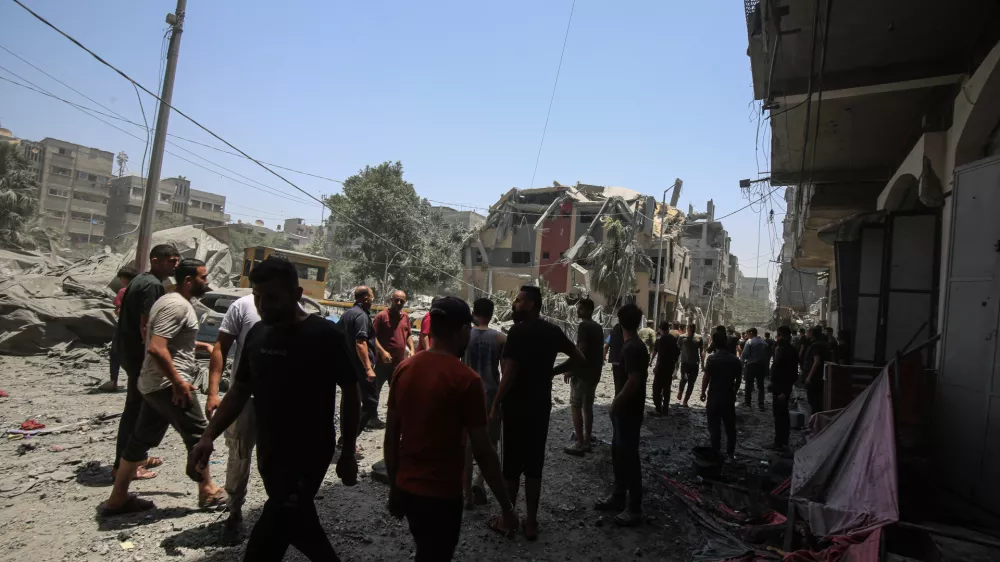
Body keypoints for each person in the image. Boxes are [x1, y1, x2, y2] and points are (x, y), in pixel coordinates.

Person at [188, 257, 362, 562]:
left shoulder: (326, 336)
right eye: (257, 297)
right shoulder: (258, 335)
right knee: (297, 522)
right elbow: (240, 390)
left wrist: (347, 452)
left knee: (275, 526)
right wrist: (208, 436)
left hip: (309, 452)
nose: (263, 305)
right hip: (270, 453)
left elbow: (351, 392)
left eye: (272, 298)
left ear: (296, 295)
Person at [386, 297, 518, 560]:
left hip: (408, 490)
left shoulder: (404, 369)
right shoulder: (467, 381)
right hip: (442, 495)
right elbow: (483, 450)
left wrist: (394, 487)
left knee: (425, 549)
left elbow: (391, 438)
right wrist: (507, 506)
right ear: (461, 331)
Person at [101, 259, 224, 515]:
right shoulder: (176, 306)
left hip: (153, 383)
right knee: (200, 435)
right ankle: (208, 490)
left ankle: (118, 499)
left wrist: (197, 345)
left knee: (138, 441)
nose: (207, 282)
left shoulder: (169, 301)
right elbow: (157, 347)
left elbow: (157, 336)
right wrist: (179, 381)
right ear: (188, 280)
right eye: (203, 277)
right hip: (169, 384)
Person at [490, 285, 586, 541]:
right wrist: (553, 371)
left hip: (515, 408)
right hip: (540, 408)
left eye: (519, 300)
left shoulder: (517, 333)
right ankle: (530, 523)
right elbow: (579, 358)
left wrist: (495, 404)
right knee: (534, 466)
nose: (514, 304)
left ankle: (508, 520)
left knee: (511, 467)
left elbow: (508, 375)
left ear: (531, 304)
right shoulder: (553, 331)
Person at [111, 244, 180, 481]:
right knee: (137, 410)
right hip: (140, 357)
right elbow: (147, 325)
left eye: (176, 260)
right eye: (170, 260)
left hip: (130, 354)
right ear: (155, 260)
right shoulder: (152, 285)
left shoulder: (141, 280)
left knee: (138, 407)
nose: (174, 264)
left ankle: (135, 457)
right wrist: (157, 358)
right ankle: (124, 465)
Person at [205, 291, 261, 542]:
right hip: (245, 397)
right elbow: (221, 347)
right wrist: (213, 392)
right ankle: (235, 512)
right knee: (239, 452)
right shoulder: (242, 306)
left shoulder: (295, 310)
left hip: (280, 401)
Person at [594, 303, 648, 526]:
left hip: (629, 409)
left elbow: (634, 380)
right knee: (619, 453)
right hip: (625, 409)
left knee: (628, 457)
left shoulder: (633, 348)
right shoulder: (631, 345)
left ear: (620, 321)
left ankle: (634, 508)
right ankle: (618, 497)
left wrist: (615, 402)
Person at [462, 297, 507, 506]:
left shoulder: (463, 336)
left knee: (468, 445)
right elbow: (506, 373)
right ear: (491, 313)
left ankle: (467, 496)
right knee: (490, 442)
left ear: (473, 312)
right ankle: (479, 482)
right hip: (490, 393)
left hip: (468, 392)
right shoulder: (500, 338)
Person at [554, 298, 604, 455]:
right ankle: (587, 440)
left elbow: (581, 350)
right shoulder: (597, 327)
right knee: (587, 408)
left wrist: (570, 370)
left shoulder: (584, 326)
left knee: (575, 406)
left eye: (580, 309)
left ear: (589, 311)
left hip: (582, 374)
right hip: (594, 373)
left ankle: (580, 443)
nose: (577, 311)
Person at [339, 286, 382, 430]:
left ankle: (346, 439)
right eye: (372, 296)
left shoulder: (347, 314)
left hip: (348, 366)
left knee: (350, 402)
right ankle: (349, 437)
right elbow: (361, 343)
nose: (373, 299)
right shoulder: (361, 316)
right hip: (360, 368)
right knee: (371, 402)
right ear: (365, 298)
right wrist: (369, 368)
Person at [700, 332, 741, 459]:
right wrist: (734, 392)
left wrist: (702, 392)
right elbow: (738, 379)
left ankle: (716, 452)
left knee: (714, 426)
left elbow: (706, 377)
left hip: (714, 396)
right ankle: (730, 453)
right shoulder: (735, 360)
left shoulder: (712, 359)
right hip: (728, 396)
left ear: (715, 343)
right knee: (730, 426)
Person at [100, 266, 139, 393]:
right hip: (139, 328)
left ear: (123, 278)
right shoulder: (141, 290)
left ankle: (114, 381)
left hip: (124, 328)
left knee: (116, 354)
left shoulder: (123, 291)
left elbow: (118, 311)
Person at [373, 289, 414, 407]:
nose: (399, 303)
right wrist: (383, 352)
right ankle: (370, 417)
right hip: (382, 362)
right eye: (397, 300)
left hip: (398, 363)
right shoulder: (381, 316)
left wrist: (411, 349)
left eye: (402, 301)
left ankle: (395, 418)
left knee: (397, 391)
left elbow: (408, 335)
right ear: (391, 300)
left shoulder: (405, 317)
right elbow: (372, 337)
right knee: (375, 391)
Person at [766, 326, 797, 452]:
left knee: (781, 416)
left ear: (783, 336)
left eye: (778, 336)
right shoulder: (782, 349)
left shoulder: (789, 351)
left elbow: (792, 374)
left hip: (782, 390)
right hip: (778, 388)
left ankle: (781, 443)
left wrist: (785, 391)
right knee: (778, 416)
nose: (777, 338)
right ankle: (779, 442)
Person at [649, 320, 679, 416]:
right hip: (670, 367)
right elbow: (677, 352)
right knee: (666, 388)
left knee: (656, 389)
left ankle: (658, 409)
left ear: (660, 329)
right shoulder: (672, 338)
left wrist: (655, 366)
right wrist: (673, 362)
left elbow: (659, 354)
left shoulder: (661, 339)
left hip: (662, 367)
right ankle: (665, 410)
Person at [740, 328, 769, 411]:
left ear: (751, 333)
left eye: (747, 333)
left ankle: (748, 403)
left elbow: (744, 355)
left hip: (751, 366)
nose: (747, 335)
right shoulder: (764, 343)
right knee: (761, 386)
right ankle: (761, 404)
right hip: (761, 366)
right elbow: (767, 356)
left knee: (749, 385)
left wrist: (741, 364)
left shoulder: (749, 342)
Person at [803, 326, 829, 415]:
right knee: (816, 401)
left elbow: (817, 362)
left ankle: (814, 423)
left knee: (813, 402)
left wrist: (809, 377)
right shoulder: (821, 344)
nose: (806, 333)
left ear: (812, 334)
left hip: (814, 378)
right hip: (819, 376)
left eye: (807, 332)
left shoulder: (815, 345)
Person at [676, 323, 704, 407]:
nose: (691, 329)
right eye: (690, 328)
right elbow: (679, 347)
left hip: (695, 363)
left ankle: (685, 400)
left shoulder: (699, 338)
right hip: (685, 362)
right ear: (687, 328)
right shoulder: (682, 337)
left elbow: (701, 350)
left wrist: (702, 362)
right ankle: (680, 391)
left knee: (691, 383)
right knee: (684, 379)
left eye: (693, 328)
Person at [604, 319, 626, 394]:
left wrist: (604, 356)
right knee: (624, 379)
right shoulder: (626, 334)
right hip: (624, 360)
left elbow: (606, 346)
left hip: (615, 360)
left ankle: (617, 394)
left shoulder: (612, 334)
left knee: (617, 380)